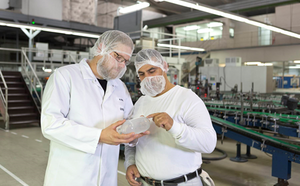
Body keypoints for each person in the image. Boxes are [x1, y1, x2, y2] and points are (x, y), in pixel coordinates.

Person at [41, 30, 149, 186]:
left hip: (107, 178)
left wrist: (134, 132)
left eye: (125, 61)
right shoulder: (65, 76)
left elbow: (128, 121)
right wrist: (99, 136)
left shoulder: (120, 87)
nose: (121, 66)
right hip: (70, 178)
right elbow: (50, 124)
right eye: (118, 57)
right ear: (101, 48)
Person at [125, 49, 217, 186]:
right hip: (145, 182)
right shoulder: (140, 103)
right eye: (142, 74)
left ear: (165, 67)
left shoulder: (187, 98)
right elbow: (131, 141)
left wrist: (174, 126)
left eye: (152, 71)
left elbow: (208, 143)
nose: (147, 78)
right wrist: (130, 162)